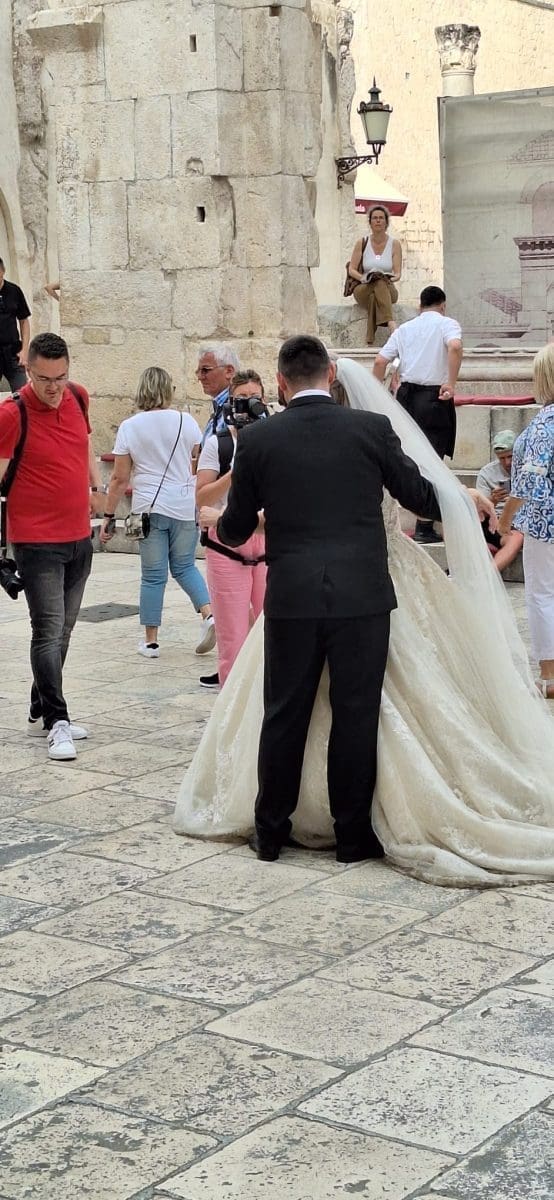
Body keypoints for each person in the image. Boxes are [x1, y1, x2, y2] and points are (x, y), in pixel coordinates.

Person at [173, 351, 554, 888]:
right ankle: (352, 836)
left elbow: (236, 530)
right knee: (356, 715)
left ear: (280, 380)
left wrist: (224, 523)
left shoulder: (259, 440)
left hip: (293, 599)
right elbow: (419, 496)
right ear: (329, 374)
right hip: (364, 597)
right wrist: (462, 497)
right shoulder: (371, 429)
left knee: (284, 713)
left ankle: (271, 831)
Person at [0, 332, 104, 761]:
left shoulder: (78, 396)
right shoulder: (12, 413)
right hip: (36, 539)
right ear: (28, 370)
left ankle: (39, 704)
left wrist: (97, 489)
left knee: (64, 631)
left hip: (79, 535)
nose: (54, 387)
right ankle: (57, 720)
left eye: (60, 377)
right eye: (44, 379)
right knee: (47, 629)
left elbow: (85, 445)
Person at [99, 366, 215, 659]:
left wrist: (109, 516)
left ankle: (151, 642)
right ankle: (209, 614)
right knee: (185, 566)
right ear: (167, 390)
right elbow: (196, 462)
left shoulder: (130, 427)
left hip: (149, 507)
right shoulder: (187, 421)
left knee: (152, 576)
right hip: (184, 505)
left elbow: (120, 478)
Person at [373, 284, 463, 543]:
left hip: (406, 399)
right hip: (433, 398)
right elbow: (455, 346)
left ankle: (410, 517)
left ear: (419, 306)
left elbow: (380, 361)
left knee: (407, 458)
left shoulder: (405, 329)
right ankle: (424, 524)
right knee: (432, 460)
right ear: (443, 306)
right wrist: (451, 383)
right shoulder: (447, 324)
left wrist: (374, 392)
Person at [196, 370, 268, 690]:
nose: (248, 407)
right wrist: (235, 473)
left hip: (266, 540)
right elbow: (201, 496)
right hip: (225, 543)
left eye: (255, 399)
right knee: (233, 638)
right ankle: (232, 704)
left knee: (271, 630)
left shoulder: (276, 440)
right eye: (241, 400)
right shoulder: (219, 445)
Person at [499, 344, 554, 699]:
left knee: (542, 594)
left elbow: (529, 481)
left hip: (546, 522)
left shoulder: (543, 426)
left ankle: (549, 674)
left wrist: (506, 519)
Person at [348, 206, 402, 345]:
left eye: (381, 218)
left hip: (388, 287)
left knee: (379, 284)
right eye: (375, 218)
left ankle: (370, 338)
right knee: (376, 284)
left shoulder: (394, 244)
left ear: (386, 222)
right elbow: (352, 269)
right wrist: (363, 278)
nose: (378, 221)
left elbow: (398, 274)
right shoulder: (362, 242)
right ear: (370, 222)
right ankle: (391, 324)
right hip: (364, 287)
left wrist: (389, 277)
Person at [476, 429, 523, 572]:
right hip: (493, 520)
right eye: (502, 458)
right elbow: (479, 511)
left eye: (510, 456)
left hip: (518, 523)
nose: (507, 462)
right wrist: (492, 500)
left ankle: (489, 574)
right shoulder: (487, 472)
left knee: (516, 537)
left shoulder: (528, 470)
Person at [196, 343, 240, 442]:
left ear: (229, 371)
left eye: (205, 370)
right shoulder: (220, 407)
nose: (200, 377)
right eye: (198, 371)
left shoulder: (239, 407)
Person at [0, 257, 31, 392]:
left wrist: (25, 350)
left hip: (13, 352)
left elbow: (24, 321)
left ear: (3, 271)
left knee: (22, 394)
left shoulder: (14, 291)